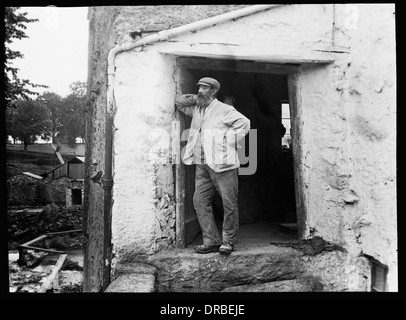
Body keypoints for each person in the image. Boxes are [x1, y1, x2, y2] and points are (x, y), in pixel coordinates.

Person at [175, 77, 250, 254]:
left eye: (205, 88)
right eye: (199, 87)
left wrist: (227, 140)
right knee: (199, 201)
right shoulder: (196, 108)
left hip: (223, 164)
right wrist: (196, 97)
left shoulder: (225, 109)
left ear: (214, 91)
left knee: (228, 203)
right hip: (202, 164)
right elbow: (179, 102)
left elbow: (245, 123)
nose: (200, 90)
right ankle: (211, 241)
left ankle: (228, 241)